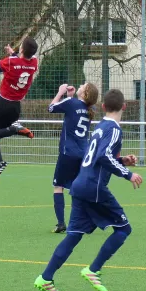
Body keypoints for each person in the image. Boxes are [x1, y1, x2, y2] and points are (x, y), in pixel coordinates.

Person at [34, 89, 143, 291]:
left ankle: (45, 278)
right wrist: (127, 173)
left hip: (79, 185)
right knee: (123, 229)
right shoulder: (114, 129)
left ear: (102, 107)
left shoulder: (101, 127)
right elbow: (102, 157)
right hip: (94, 188)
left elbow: (99, 158)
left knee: (74, 235)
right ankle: (93, 270)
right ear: (125, 107)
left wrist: (121, 161)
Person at [0, 37, 38, 180]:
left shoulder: (11, 62)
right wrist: (14, 54)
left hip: (2, 104)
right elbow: (22, 62)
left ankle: (13, 129)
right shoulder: (34, 63)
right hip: (16, 107)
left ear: (21, 49)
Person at [49, 82, 99, 233]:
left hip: (67, 152)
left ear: (85, 93)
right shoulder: (91, 109)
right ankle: (86, 221)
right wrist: (69, 97)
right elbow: (75, 112)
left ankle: (61, 223)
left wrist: (60, 93)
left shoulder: (71, 103)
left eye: (83, 86)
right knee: (79, 188)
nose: (81, 85)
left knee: (59, 187)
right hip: (83, 154)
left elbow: (51, 108)